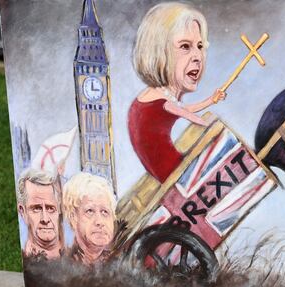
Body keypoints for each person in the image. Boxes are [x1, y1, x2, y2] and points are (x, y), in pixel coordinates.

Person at [128, 2, 226, 183]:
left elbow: (184, 108)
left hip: (170, 174)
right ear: (158, 51)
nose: (198, 56)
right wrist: (211, 128)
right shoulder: (160, 101)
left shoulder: (152, 97)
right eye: (185, 46)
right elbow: (189, 114)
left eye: (200, 46)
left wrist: (211, 101)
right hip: (175, 174)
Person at [62, 172, 116, 265]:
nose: (100, 221)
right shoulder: (60, 267)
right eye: (90, 211)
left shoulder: (122, 267)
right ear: (73, 218)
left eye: (104, 212)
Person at [16, 168, 63, 260]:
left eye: (50, 208)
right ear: (22, 211)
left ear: (59, 209)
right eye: (36, 209)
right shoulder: (27, 259)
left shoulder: (77, 256)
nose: (45, 219)